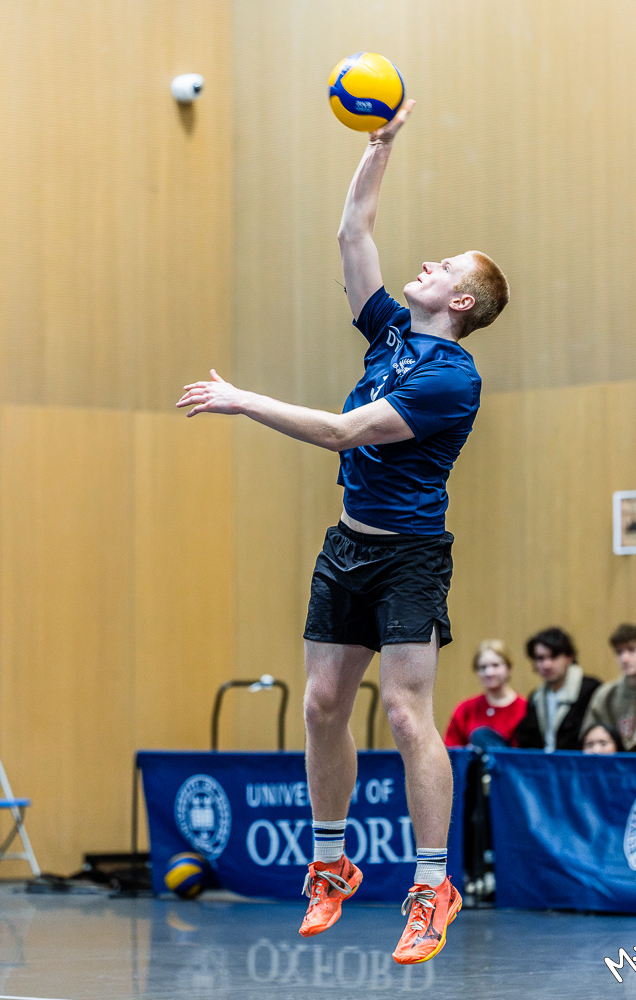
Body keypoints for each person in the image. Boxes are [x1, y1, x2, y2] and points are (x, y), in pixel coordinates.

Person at [177, 100, 509, 964]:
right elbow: (351, 235)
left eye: (444, 265)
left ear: (463, 299)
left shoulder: (452, 380)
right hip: (347, 543)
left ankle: (432, 884)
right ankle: (331, 866)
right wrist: (382, 150)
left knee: (404, 713)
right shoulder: (394, 330)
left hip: (408, 558)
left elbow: (341, 431)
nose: (425, 263)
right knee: (324, 704)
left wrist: (242, 398)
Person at [580, 623, 636, 751]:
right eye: (619, 652)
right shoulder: (606, 695)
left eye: (632, 650)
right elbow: (588, 738)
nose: (624, 658)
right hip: (614, 766)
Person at [514, 627, 601, 751]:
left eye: (553, 657)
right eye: (540, 658)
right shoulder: (536, 697)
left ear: (569, 657)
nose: (546, 665)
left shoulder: (591, 690)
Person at [444, 640, 527, 749]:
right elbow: (451, 751)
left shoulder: (525, 709)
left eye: (495, 665)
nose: (489, 673)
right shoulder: (466, 709)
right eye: (483, 667)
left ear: (509, 668)